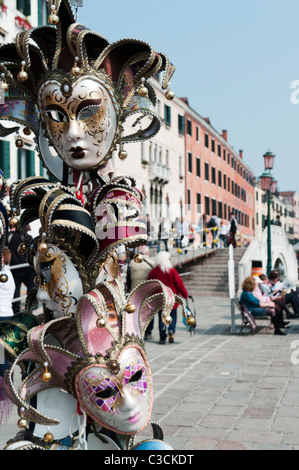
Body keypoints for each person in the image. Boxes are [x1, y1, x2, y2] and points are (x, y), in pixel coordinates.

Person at [147, 251, 188, 344]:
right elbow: (179, 284)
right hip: (172, 298)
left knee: (162, 317)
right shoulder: (171, 271)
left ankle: (162, 337)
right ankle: (171, 330)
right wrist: (185, 294)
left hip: (159, 299)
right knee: (173, 315)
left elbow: (149, 284)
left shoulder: (153, 271)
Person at [7, 227, 36, 314]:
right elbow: (33, 251)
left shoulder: (10, 236)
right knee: (32, 287)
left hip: (15, 267)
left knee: (16, 289)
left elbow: (4, 246)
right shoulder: (28, 237)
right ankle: (30, 307)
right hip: (27, 267)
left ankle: (16, 310)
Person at [130, 245, 155, 340]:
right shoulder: (151, 262)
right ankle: (148, 332)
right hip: (147, 291)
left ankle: (136, 331)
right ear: (147, 253)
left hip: (135, 290)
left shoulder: (132, 262)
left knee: (136, 311)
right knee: (149, 311)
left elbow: (128, 277)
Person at [0, 247, 16, 379]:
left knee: (1, 355)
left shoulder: (3, 274)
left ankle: (5, 381)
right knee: (3, 354)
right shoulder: (8, 272)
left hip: (1, 316)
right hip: (7, 314)